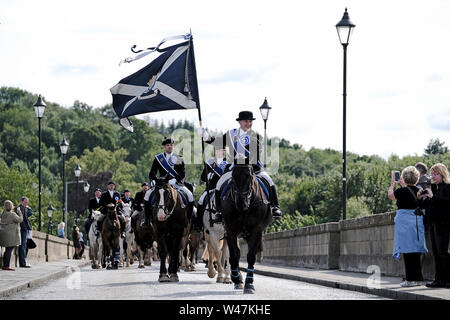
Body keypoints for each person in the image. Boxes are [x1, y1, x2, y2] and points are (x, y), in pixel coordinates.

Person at [199, 111, 282, 218]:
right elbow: (218, 142)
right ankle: (219, 211)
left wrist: (246, 159)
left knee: (269, 181)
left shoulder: (256, 136)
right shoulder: (231, 134)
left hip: (253, 167)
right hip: (235, 168)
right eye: (246, 121)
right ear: (240, 122)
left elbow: (256, 154)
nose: (248, 124)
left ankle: (275, 207)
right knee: (219, 183)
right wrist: (206, 137)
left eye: (250, 121)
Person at [142, 137, 195, 227]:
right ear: (164, 147)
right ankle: (147, 220)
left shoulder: (178, 158)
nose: (170, 147)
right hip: (161, 184)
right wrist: (155, 180)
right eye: (168, 145)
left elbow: (182, 173)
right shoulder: (159, 158)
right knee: (147, 195)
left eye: (171, 145)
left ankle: (188, 220)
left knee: (190, 196)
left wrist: (175, 180)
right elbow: (152, 172)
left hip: (176, 184)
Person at [388, 166, 428, 287]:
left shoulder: (401, 191)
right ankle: (418, 279)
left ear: (404, 178)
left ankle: (410, 279)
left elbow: (391, 196)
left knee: (407, 250)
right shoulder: (419, 190)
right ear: (416, 178)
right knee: (416, 250)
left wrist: (392, 184)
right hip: (417, 222)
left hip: (404, 223)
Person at [418, 163, 450, 288]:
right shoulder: (433, 188)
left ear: (442, 174)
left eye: (436, 174)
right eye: (432, 174)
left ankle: (448, 280)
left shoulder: (447, 187)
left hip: (443, 223)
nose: (433, 176)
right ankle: (438, 280)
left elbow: (446, 203)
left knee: (443, 252)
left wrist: (433, 197)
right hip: (433, 223)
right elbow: (426, 206)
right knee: (436, 252)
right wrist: (421, 198)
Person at [194, 140, 230, 231]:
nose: (221, 151)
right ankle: (199, 224)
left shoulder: (228, 162)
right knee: (201, 201)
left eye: (223, 150)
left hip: (224, 189)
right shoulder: (210, 162)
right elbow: (202, 178)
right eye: (219, 150)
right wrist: (208, 174)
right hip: (211, 188)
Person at [0, 200, 23, 271]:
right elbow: (20, 219)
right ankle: (6, 265)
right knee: (9, 250)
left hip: (3, 234)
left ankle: (4, 265)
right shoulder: (12, 215)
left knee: (7, 250)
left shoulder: (2, 214)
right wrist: (19, 212)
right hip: (11, 235)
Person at [17, 197, 32, 268]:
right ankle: (22, 263)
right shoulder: (21, 208)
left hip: (24, 229)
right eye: (25, 202)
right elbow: (22, 219)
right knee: (23, 246)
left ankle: (23, 262)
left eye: (27, 202)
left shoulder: (22, 208)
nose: (26, 204)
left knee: (23, 246)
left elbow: (28, 215)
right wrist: (25, 227)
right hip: (23, 229)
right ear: (22, 201)